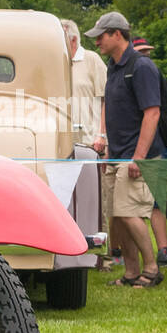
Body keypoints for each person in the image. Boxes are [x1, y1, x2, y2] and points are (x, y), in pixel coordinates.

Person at [86, 11, 164, 287]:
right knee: (117, 217)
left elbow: (152, 113)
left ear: (117, 34)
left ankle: (152, 269)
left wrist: (138, 157)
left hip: (137, 155)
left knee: (129, 213)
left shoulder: (141, 67)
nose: (97, 42)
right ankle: (131, 272)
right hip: (116, 153)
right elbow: (109, 104)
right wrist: (106, 144)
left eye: (101, 37)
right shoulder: (113, 66)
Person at [131, 37, 167, 268]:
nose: (145, 55)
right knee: (130, 206)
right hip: (147, 147)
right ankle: (124, 253)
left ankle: (160, 253)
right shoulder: (143, 73)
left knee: (155, 202)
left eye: (147, 51)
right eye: (141, 51)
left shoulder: (147, 73)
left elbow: (152, 113)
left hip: (154, 146)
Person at [62, 18, 111, 268]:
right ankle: (71, 249)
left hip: (91, 140)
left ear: (72, 39)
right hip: (64, 141)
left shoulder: (91, 60)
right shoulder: (58, 62)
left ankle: (101, 255)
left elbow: (105, 99)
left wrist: (101, 135)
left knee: (95, 198)